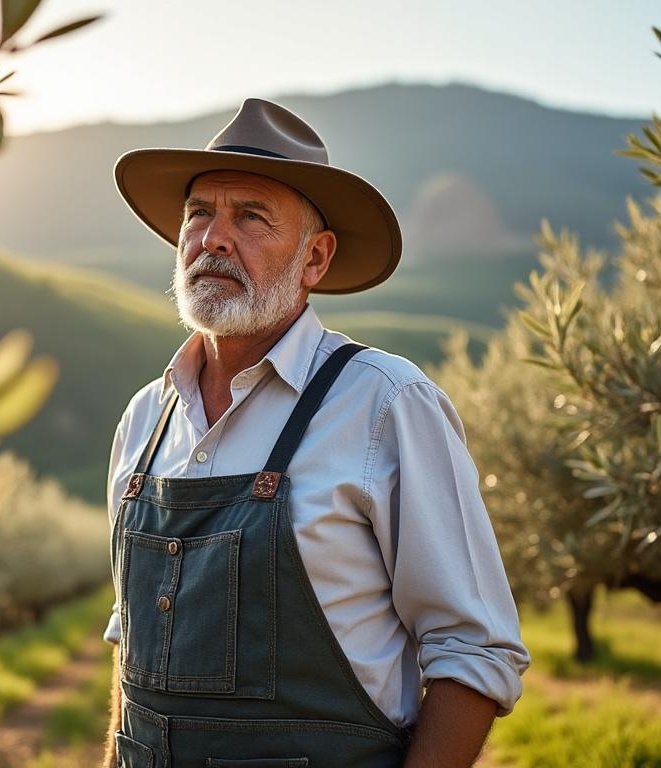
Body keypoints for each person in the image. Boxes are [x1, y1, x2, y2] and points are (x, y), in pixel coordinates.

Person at [100, 98, 530, 768]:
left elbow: (475, 651)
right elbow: (130, 646)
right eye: (199, 214)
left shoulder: (386, 404)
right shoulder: (144, 420)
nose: (214, 239)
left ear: (315, 258)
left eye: (251, 217)